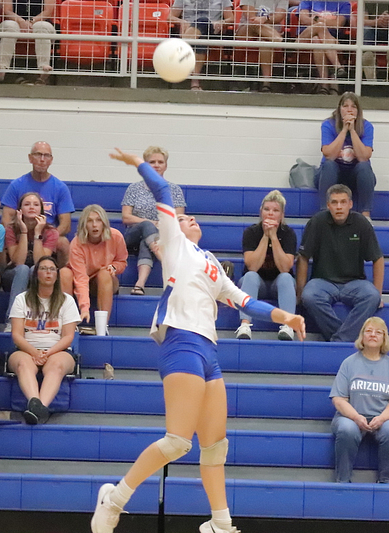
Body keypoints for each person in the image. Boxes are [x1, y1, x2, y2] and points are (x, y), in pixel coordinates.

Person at [92, 148, 306, 533]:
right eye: (183, 217)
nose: (190, 218)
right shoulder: (174, 242)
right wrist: (138, 164)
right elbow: (161, 190)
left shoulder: (212, 263)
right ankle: (115, 499)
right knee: (178, 442)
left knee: (215, 447)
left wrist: (285, 316)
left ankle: (220, 523)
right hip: (181, 342)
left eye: (190, 217)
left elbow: (246, 302)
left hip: (208, 350)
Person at [297, 184, 383, 343]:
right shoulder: (317, 222)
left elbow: (378, 258)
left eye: (343, 202)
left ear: (350, 204)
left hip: (355, 282)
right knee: (308, 296)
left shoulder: (361, 223)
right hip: (323, 282)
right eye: (334, 202)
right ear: (328, 205)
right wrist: (299, 292)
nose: (339, 207)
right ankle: (346, 339)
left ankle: (339, 340)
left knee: (372, 296)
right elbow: (303, 257)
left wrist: (379, 293)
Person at [330, 316, 389, 483]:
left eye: (378, 332)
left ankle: (388, 480)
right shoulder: (349, 363)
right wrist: (356, 417)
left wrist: (382, 418)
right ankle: (343, 481)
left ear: (384, 338)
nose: (373, 335)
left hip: (382, 418)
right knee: (347, 430)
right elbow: (339, 399)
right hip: (350, 417)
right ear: (362, 336)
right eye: (369, 331)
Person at [7, 255, 81, 425]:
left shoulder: (67, 301)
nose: (48, 272)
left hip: (58, 350)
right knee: (23, 364)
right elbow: (17, 335)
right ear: (36, 274)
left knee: (56, 365)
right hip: (25, 349)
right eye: (43, 269)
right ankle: (37, 406)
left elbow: (68, 337)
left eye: (52, 269)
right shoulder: (21, 299)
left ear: (57, 275)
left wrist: (48, 353)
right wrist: (34, 352)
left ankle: (38, 409)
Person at [121, 146, 187, 296]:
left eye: (160, 162)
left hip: (161, 237)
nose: (156, 165)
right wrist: (151, 222)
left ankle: (140, 284)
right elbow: (126, 217)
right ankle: (164, 259)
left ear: (166, 165)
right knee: (146, 226)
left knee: (147, 241)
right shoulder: (134, 188)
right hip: (133, 236)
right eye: (152, 162)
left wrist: (160, 226)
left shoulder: (174, 190)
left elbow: (179, 219)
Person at [235, 189, 297, 341]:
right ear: (260, 212)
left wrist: (273, 237)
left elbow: (285, 267)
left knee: (286, 278)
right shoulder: (251, 232)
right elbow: (252, 266)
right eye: (267, 209)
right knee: (250, 276)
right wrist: (265, 236)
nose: (270, 213)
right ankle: (245, 325)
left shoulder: (288, 233)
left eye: (275, 210)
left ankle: (288, 325)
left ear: (282, 215)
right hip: (256, 283)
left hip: (279, 285)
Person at [1, 142, 75, 267]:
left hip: (46, 236)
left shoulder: (60, 188)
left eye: (46, 155)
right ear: (30, 158)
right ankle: (4, 274)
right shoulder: (16, 185)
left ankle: (60, 276)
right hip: (20, 235)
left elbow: (66, 225)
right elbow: (6, 219)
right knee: (1, 239)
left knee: (63, 242)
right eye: (38, 155)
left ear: (51, 160)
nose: (42, 159)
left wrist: (48, 237)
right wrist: (19, 236)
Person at [60, 204, 128, 329]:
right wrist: (84, 308)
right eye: (90, 221)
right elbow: (81, 278)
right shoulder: (77, 243)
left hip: (104, 280)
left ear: (104, 223)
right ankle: (67, 322)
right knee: (64, 273)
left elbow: (122, 262)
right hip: (81, 280)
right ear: (84, 224)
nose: (94, 225)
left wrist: (114, 267)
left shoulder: (116, 236)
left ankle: (102, 326)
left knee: (104, 273)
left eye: (98, 220)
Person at [2, 192, 59, 328]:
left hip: (36, 273)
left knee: (35, 269)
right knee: (23, 269)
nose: (32, 207)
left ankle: (41, 320)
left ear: (41, 210)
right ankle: (12, 322)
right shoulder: (11, 229)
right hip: (13, 275)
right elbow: (18, 261)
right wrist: (23, 231)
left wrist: (38, 233)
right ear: (20, 210)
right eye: (27, 204)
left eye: (36, 204)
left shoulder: (51, 231)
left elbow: (41, 262)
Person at [318, 92, 376, 219]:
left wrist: (352, 130)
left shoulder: (367, 126)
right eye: (345, 106)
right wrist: (344, 130)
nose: (349, 110)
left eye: (353, 106)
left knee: (365, 167)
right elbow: (329, 155)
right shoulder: (328, 124)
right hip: (332, 174)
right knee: (329, 165)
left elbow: (364, 157)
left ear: (358, 111)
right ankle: (324, 214)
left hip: (354, 176)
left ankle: (365, 215)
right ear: (339, 109)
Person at [170, 0, 236, 91]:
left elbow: (231, 19)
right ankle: (195, 82)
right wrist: (182, 21)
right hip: (190, 29)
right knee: (200, 38)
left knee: (203, 21)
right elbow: (170, 17)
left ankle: (182, 46)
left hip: (212, 30)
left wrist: (222, 22)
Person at [0, 0, 56, 85]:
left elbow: (48, 11)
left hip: (41, 21)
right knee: (10, 26)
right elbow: (7, 11)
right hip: (14, 21)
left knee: (42, 26)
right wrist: (21, 21)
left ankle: (44, 68)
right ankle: (2, 67)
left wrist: (31, 21)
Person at [296, 0, 351, 94]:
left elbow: (338, 24)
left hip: (327, 38)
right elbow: (303, 19)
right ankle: (338, 67)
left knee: (317, 40)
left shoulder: (344, 3)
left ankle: (324, 86)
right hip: (305, 37)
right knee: (320, 27)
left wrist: (315, 18)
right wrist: (323, 22)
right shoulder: (308, 1)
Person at [235, 0, 287, 92]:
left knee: (265, 42)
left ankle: (266, 84)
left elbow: (279, 16)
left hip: (269, 32)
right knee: (255, 24)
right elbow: (251, 17)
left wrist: (265, 19)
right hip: (247, 30)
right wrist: (264, 20)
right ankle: (280, 41)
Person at [362, 1, 389, 82]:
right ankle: (367, 56)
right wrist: (377, 22)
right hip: (373, 29)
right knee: (366, 29)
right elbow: (363, 21)